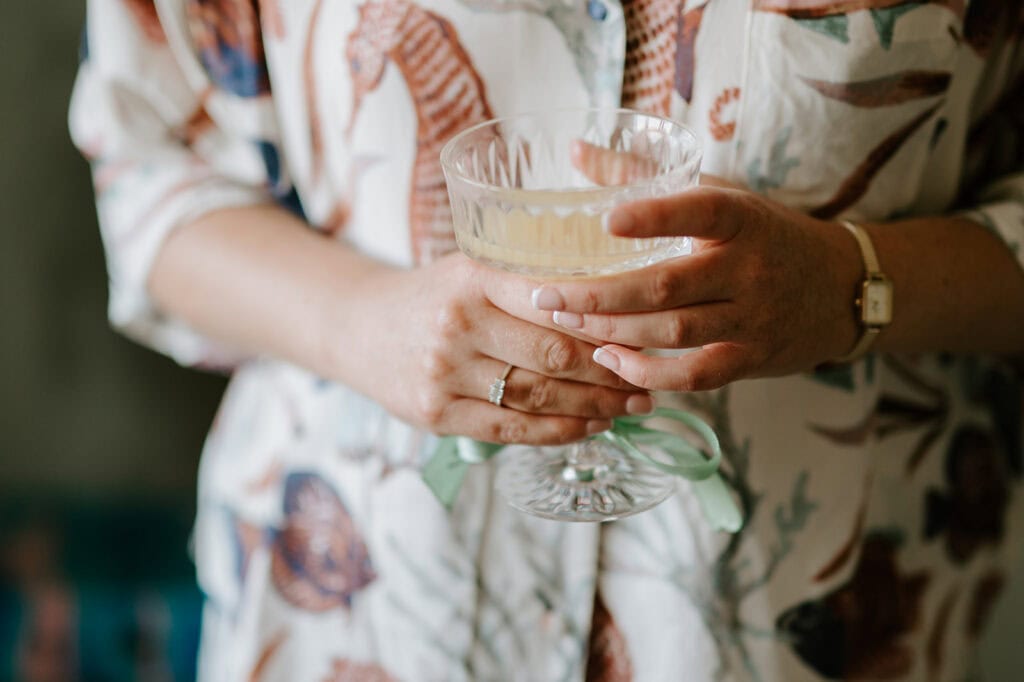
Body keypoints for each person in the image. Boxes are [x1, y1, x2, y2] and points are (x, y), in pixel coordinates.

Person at [71, 0, 1023, 680]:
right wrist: (357, 322)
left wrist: (852, 285)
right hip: (369, 603)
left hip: (847, 610)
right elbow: (149, 166)